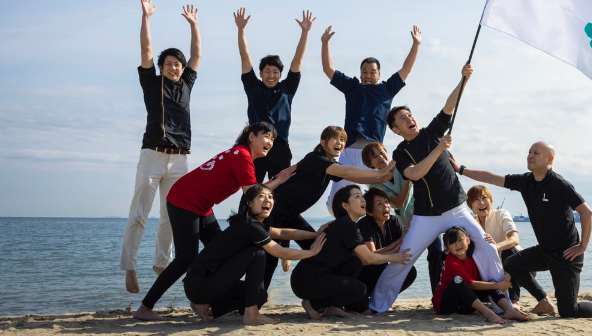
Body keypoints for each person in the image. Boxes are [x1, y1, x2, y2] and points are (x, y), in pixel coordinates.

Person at [369, 63, 507, 313]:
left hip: (456, 209)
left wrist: (463, 79)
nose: (409, 119)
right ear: (395, 129)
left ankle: (502, 302)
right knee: (405, 257)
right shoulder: (401, 153)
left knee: (486, 247)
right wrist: (439, 149)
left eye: (410, 115)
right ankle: (376, 306)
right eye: (402, 119)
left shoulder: (432, 132)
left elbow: (449, 106)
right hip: (426, 216)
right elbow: (416, 173)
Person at [133, 122, 295, 321]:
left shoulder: (241, 155)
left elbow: (253, 193)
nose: (270, 142)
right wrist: (279, 180)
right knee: (186, 257)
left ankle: (202, 301)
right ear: (251, 136)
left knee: (224, 251)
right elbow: (253, 196)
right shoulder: (242, 155)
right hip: (185, 200)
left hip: (201, 205)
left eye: (272, 139)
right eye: (266, 136)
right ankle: (145, 307)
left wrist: (279, 180)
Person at [457, 142, 592, 318]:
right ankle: (543, 300)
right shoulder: (526, 182)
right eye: (529, 152)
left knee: (569, 311)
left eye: (536, 153)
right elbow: (492, 178)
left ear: (549, 159)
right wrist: (461, 169)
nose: (530, 156)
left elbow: (586, 212)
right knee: (512, 264)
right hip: (544, 251)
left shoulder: (559, 184)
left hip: (567, 255)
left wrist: (582, 246)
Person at [122, 0, 201, 295]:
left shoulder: (187, 84)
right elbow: (146, 48)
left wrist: (194, 25)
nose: (173, 67)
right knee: (139, 213)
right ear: (161, 67)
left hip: (180, 159)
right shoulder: (151, 83)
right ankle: (129, 266)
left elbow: (196, 55)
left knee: (171, 215)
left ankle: (160, 262)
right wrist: (146, 18)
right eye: (168, 64)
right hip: (152, 155)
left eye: (177, 64)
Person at [265, 126, 396, 288]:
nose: (339, 143)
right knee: (268, 259)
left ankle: (318, 287)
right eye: (335, 138)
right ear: (323, 142)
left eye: (342, 140)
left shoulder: (329, 164)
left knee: (320, 245)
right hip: (274, 211)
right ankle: (253, 305)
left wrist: (380, 179)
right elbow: (346, 171)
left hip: (290, 214)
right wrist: (380, 173)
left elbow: (353, 176)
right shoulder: (315, 159)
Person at [184, 184, 326, 325]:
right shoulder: (250, 225)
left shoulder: (251, 224)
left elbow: (282, 233)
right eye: (261, 196)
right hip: (201, 283)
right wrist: (311, 252)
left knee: (260, 295)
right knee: (257, 253)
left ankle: (204, 305)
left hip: (197, 284)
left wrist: (314, 234)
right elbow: (280, 251)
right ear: (249, 203)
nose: (267, 200)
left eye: (270, 197)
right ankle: (251, 315)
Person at [321, 24, 421, 211]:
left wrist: (416, 44)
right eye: (364, 72)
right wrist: (325, 43)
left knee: (377, 200)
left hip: (374, 153)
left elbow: (406, 69)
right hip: (349, 149)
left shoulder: (386, 89)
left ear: (378, 74)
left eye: (372, 72)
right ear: (360, 74)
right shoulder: (352, 87)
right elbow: (328, 69)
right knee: (338, 198)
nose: (368, 75)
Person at [291, 185, 412, 318]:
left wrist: (396, 253)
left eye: (362, 196)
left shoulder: (348, 225)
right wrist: (395, 257)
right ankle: (312, 304)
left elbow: (364, 259)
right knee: (359, 290)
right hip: (308, 280)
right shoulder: (347, 225)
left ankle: (333, 307)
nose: (363, 200)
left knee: (354, 263)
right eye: (357, 196)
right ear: (345, 205)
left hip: (314, 277)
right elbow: (370, 258)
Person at [234, 7, 315, 183]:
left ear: (280, 74)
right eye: (267, 71)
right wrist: (241, 29)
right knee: (252, 188)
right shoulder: (253, 86)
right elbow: (244, 56)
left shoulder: (288, 88)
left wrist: (305, 32)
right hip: (255, 146)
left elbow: (297, 60)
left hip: (280, 146)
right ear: (261, 73)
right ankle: (245, 212)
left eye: (275, 72)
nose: (271, 75)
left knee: (282, 189)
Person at [362, 141, 444, 292]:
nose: (380, 157)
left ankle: (438, 294)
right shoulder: (376, 185)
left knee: (436, 252)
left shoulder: (401, 164)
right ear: (370, 164)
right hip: (407, 225)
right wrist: (407, 181)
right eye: (375, 156)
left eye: (381, 152)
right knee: (403, 259)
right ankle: (382, 294)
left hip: (426, 217)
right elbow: (398, 203)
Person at [432, 226, 529, 324]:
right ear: (446, 247)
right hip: (445, 305)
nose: (457, 244)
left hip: (465, 305)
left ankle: (509, 309)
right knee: (458, 280)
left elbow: (492, 259)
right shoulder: (451, 260)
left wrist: (492, 244)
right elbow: (472, 284)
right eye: (452, 242)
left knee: (491, 282)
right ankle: (487, 313)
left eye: (460, 240)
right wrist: (499, 285)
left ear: (468, 239)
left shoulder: (475, 256)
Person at [355, 187, 417, 303]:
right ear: (369, 211)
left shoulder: (393, 222)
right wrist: (397, 243)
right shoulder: (364, 224)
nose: (386, 206)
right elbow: (371, 256)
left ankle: (384, 299)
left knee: (410, 271)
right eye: (379, 204)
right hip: (364, 275)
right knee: (360, 307)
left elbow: (403, 246)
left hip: (382, 271)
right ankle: (375, 300)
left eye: (387, 202)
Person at [467, 184, 526, 305]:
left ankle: (514, 301)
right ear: (470, 206)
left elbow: (515, 239)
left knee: (508, 251)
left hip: (518, 267)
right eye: (476, 200)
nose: (482, 202)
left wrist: (495, 247)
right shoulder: (472, 224)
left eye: (484, 198)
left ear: (491, 201)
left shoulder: (501, 214)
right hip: (493, 272)